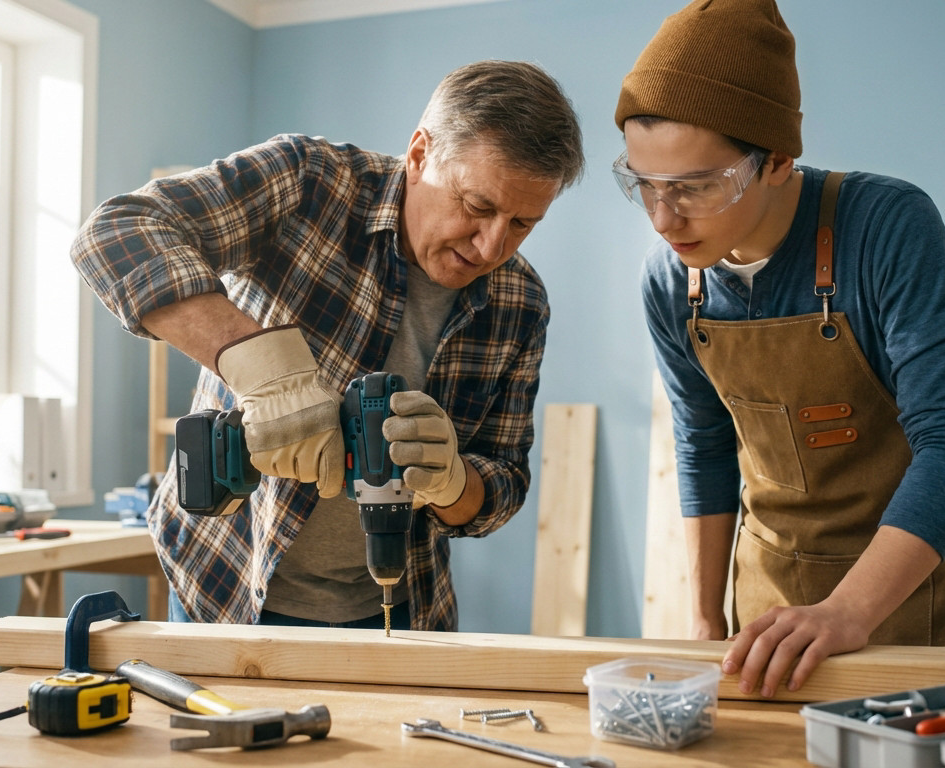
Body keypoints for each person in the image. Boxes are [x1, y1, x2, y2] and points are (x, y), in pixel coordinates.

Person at [72, 60, 584, 631]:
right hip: (224, 585)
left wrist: (452, 480)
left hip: (400, 605)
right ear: (419, 154)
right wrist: (263, 369)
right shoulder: (309, 182)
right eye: (477, 206)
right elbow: (116, 230)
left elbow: (504, 481)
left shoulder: (521, 301)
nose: (492, 246)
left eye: (522, 224)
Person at [614, 0, 945, 695]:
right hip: (767, 612)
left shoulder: (886, 227)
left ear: (778, 161)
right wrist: (704, 619)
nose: (666, 218)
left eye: (696, 188)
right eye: (645, 186)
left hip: (909, 604)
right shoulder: (671, 281)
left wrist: (847, 612)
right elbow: (703, 443)